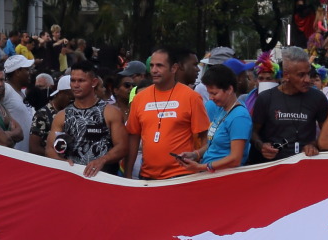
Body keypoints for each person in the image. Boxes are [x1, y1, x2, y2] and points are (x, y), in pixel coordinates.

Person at [125, 48, 210, 179]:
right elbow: (133, 137)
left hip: (181, 175)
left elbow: (204, 138)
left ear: (174, 68)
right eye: (152, 66)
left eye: (160, 66)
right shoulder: (139, 98)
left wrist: (198, 158)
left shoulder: (192, 97)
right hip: (147, 176)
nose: (154, 70)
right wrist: (128, 174)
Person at [45, 64, 128, 177]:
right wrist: (62, 163)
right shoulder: (62, 115)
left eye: (81, 81)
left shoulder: (110, 112)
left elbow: (122, 146)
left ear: (94, 82)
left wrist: (103, 160)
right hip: (72, 177)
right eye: (73, 81)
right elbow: (50, 148)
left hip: (104, 178)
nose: (76, 85)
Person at [248, 46, 328, 162]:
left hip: (305, 163)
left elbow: (327, 134)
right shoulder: (266, 98)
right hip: (274, 165)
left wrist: (313, 144)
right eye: (301, 75)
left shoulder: (318, 98)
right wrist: (261, 146)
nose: (307, 79)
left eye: (308, 74)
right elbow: (253, 132)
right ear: (286, 75)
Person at [181, 64, 251, 173]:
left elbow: (235, 159)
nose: (210, 98)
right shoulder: (221, 109)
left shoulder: (239, 117)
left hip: (224, 175)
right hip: (211, 172)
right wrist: (195, 154)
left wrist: (202, 167)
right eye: (209, 93)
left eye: (214, 93)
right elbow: (214, 145)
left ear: (229, 89)